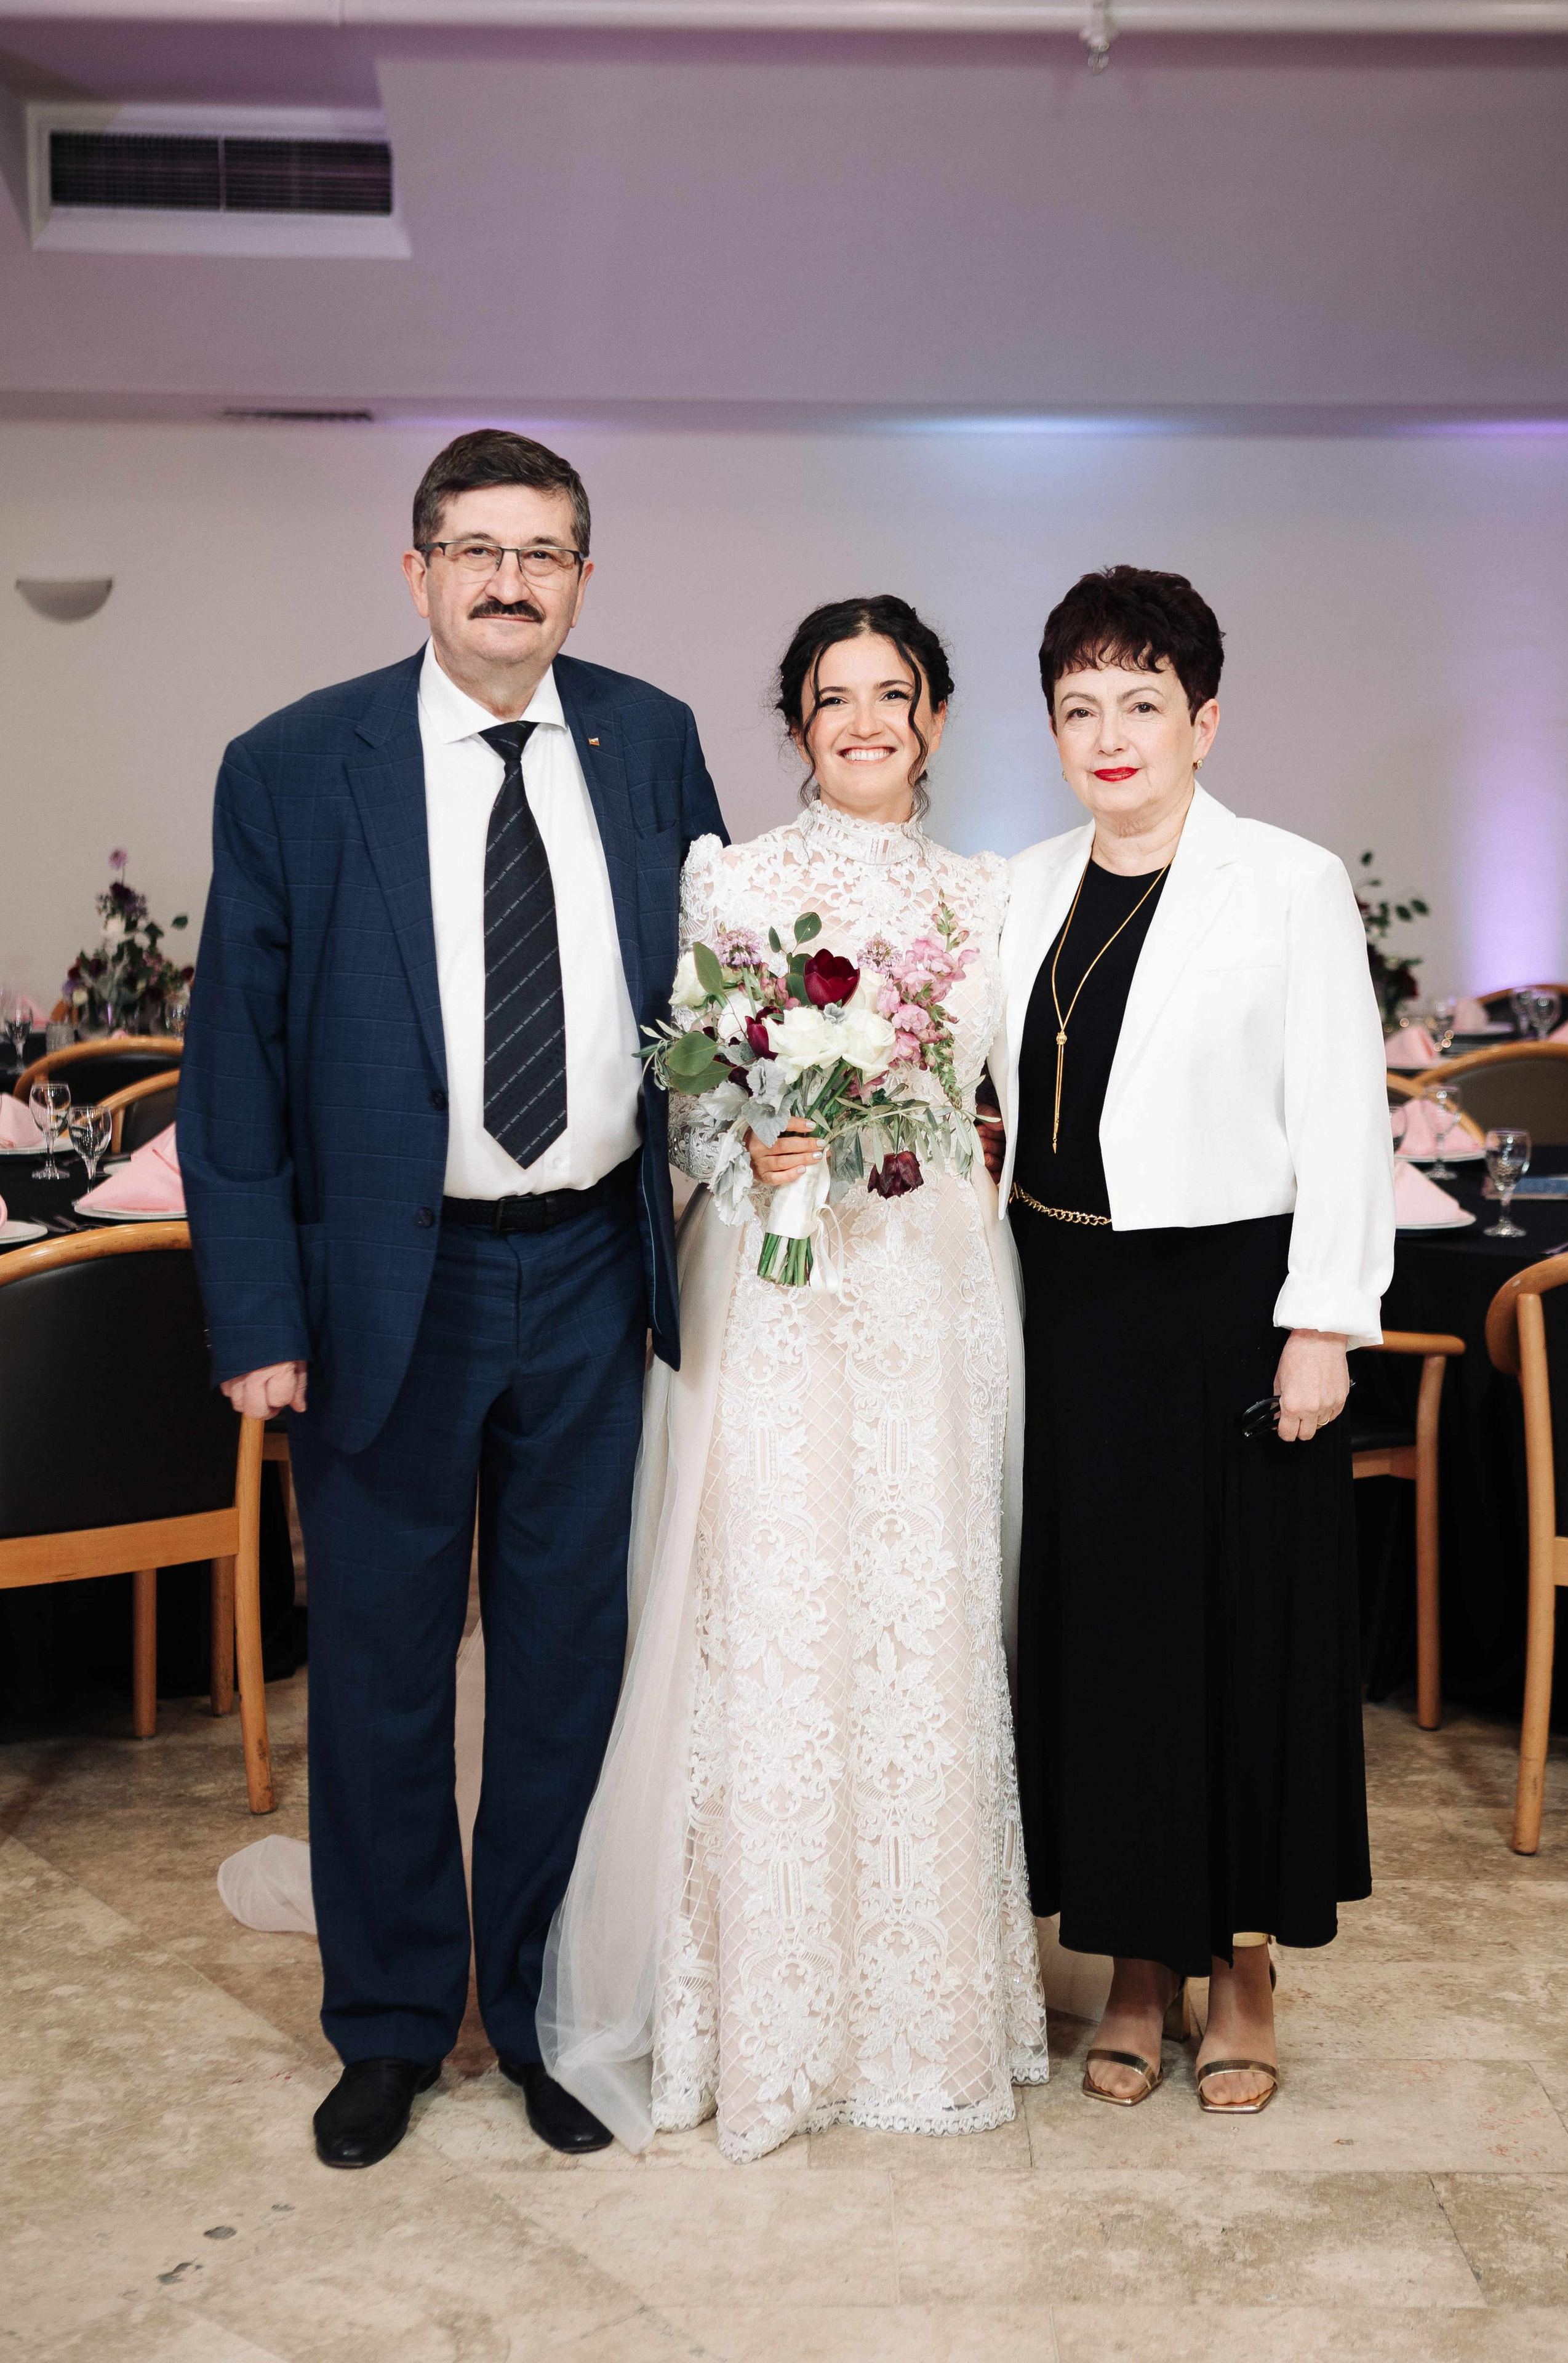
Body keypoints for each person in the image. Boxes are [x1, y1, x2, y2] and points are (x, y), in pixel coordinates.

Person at [181, 430, 726, 2168]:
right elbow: (234, 1075)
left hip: (588, 1271)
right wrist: (259, 1317)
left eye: (544, 552)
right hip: (378, 1284)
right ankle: (396, 2026)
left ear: (581, 578)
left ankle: (553, 2011)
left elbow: (715, 1005)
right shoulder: (289, 769)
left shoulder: (652, 742)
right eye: (476, 549)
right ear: (414, 571)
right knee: (387, 1670)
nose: (510, 579)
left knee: (573, 1666)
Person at [537, 596, 1048, 2161]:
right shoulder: (731, 880)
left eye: (894, 695)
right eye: (835, 698)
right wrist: (742, 1138)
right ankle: (752, 2006)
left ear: (937, 719)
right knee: (769, 1614)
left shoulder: (988, 898)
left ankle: (923, 2010)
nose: (865, 721)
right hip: (773, 1286)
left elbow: (1011, 1100)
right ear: (795, 722)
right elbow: (675, 1093)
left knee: (919, 1615)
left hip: (933, 1291)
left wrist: (963, 1141)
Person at [989, 566, 1391, 2114]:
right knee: (1104, 1645)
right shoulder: (1020, 885)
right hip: (1067, 1305)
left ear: (1202, 720)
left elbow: (1340, 1117)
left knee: (1240, 1639)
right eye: (1079, 706)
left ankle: (1238, 1963)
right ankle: (1131, 1961)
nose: (1110, 734)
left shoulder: (1282, 882)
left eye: (1141, 703)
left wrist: (1320, 1326)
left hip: (1231, 1310)